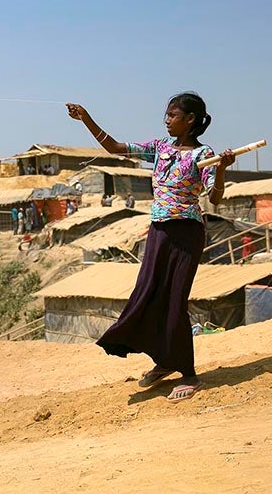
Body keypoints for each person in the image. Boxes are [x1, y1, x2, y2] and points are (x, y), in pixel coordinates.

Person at [66, 93, 234, 402]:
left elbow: (215, 197)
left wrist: (222, 168)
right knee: (149, 295)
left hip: (186, 232)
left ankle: (189, 374)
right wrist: (85, 118)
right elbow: (116, 148)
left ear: (190, 120)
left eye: (172, 115)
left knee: (175, 299)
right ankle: (165, 360)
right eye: (166, 115)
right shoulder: (159, 148)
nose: (166, 120)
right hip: (158, 232)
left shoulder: (203, 155)